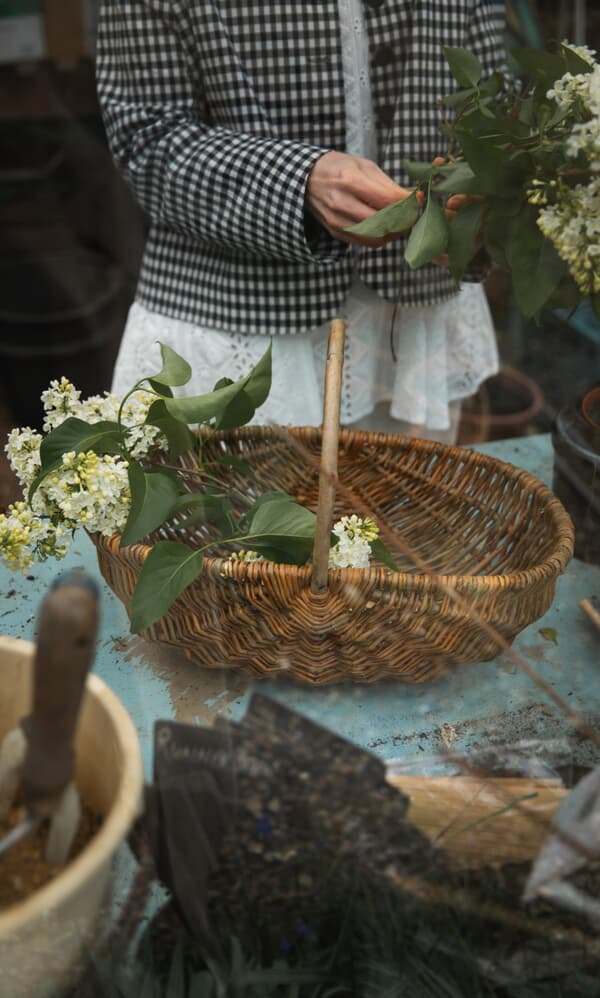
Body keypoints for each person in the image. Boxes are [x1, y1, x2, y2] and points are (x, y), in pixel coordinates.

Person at [96, 0, 504, 442]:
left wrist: (484, 190)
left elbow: (499, 98)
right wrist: (297, 182)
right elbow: (146, 137)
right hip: (239, 318)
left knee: (405, 511)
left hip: (413, 320)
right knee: (234, 508)